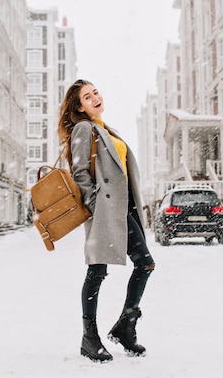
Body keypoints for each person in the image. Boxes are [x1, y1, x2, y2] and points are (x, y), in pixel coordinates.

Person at [57, 79, 156, 362]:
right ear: (79, 107)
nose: (95, 97)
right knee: (100, 270)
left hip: (124, 208)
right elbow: (79, 174)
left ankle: (124, 326)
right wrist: (96, 206)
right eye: (87, 97)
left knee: (138, 264)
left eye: (95, 92)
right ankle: (92, 337)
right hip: (106, 210)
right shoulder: (83, 129)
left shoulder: (105, 129)